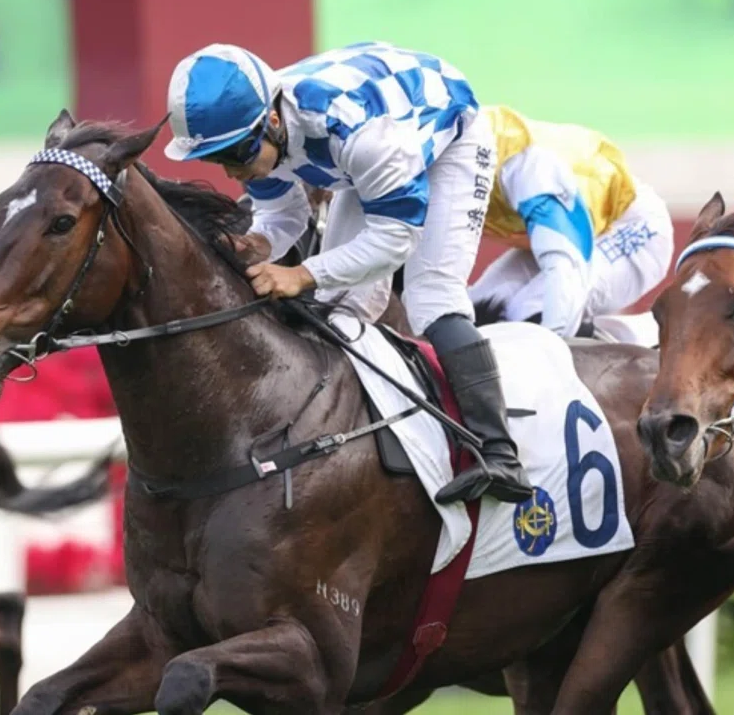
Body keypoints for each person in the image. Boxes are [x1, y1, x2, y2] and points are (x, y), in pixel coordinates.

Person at [163, 42, 532, 505]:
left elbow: (396, 239)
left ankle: (498, 452)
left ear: (272, 121)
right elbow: (282, 214)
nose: (233, 172)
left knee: (431, 296)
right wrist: (258, 242)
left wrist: (300, 274)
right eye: (216, 159)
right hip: (362, 154)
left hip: (446, 138)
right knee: (339, 311)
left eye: (236, 154)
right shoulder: (258, 130)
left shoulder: (359, 137)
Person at [467, 105, 674, 337]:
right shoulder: (441, 164)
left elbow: (565, 267)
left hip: (628, 223)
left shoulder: (526, 168)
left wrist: (550, 342)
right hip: (564, 228)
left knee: (532, 313)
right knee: (474, 311)